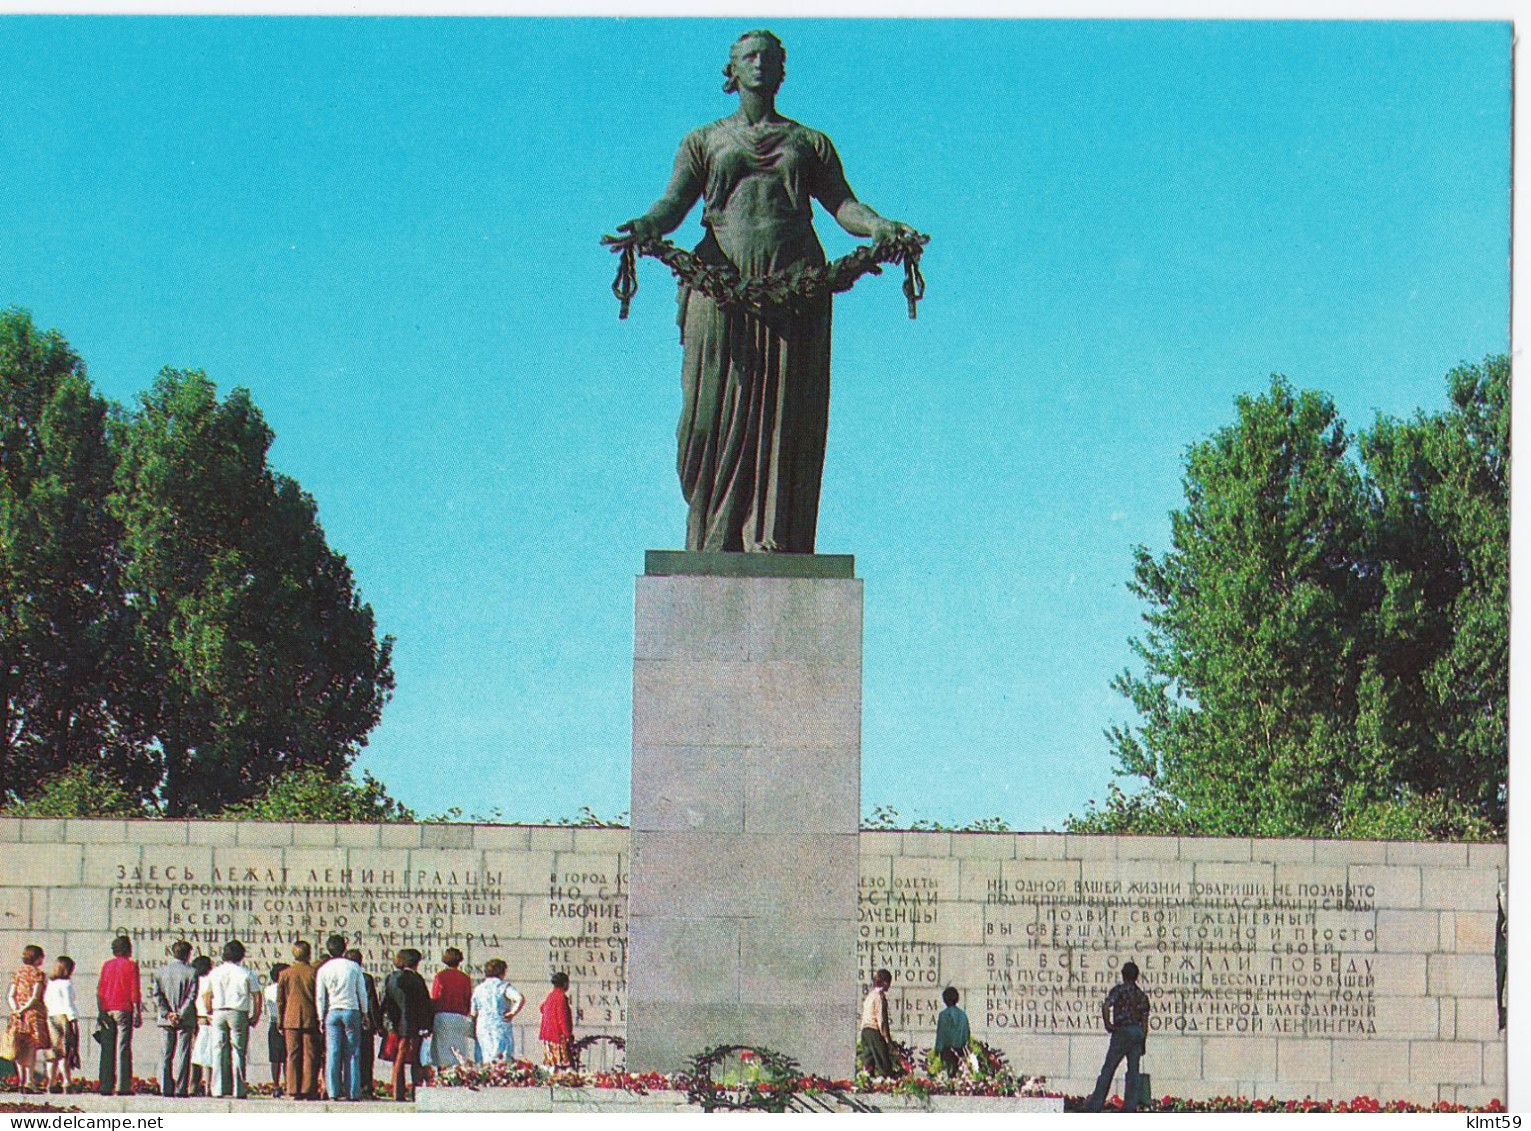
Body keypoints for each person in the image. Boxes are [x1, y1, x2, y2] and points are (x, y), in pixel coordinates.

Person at [617, 30, 917, 554]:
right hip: (722, 285)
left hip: (794, 284)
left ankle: (772, 537)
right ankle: (711, 536)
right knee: (707, 416)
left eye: (769, 58)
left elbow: (844, 205)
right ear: (731, 72)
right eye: (748, 58)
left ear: (782, 71)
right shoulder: (703, 141)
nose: (759, 65)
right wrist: (646, 225)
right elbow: (673, 204)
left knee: (786, 415)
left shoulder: (810, 142)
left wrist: (878, 226)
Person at [1083, 960, 1151, 1113]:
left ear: (1123, 975)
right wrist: (1142, 1041)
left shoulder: (1118, 991)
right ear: (1136, 976)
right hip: (1136, 1033)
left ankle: (1095, 1104)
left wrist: (1108, 1024)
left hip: (1121, 1032)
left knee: (1108, 1069)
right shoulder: (1141, 996)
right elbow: (1145, 1023)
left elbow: (1107, 1005)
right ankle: (1130, 1106)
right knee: (1133, 1072)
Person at [202, 939, 261, 1099]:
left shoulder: (215, 972)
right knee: (238, 1051)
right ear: (241, 956)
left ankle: (218, 1089)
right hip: (238, 1011)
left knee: (218, 1050)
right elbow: (256, 995)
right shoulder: (246, 972)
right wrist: (256, 1015)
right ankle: (238, 1089)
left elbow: (207, 994)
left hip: (219, 1011)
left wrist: (209, 1011)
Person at [315, 934, 368, 1101]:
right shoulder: (353, 967)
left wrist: (320, 1016)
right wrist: (364, 1012)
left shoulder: (324, 969)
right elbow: (362, 992)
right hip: (351, 1009)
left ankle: (333, 1092)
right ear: (344, 948)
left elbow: (320, 996)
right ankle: (352, 1092)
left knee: (333, 1052)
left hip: (333, 1011)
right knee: (352, 1052)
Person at [382, 949, 431, 1102]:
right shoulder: (416, 979)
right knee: (415, 1059)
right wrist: (426, 1026)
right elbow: (424, 1005)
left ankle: (398, 1092)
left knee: (399, 1059)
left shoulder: (391, 978)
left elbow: (387, 1002)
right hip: (414, 1024)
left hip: (397, 1024)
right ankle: (416, 1092)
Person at [152, 940, 198, 1098]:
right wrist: (179, 1014)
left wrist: (167, 1013)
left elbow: (157, 995)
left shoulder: (161, 971)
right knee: (183, 1054)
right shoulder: (191, 972)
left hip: (167, 1019)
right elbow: (191, 996)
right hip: (184, 1019)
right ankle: (180, 1088)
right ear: (187, 954)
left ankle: (165, 1087)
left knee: (166, 1053)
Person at [96, 936, 141, 1096]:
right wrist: (137, 1011)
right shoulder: (131, 965)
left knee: (107, 1049)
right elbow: (134, 990)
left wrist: (101, 1011)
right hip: (123, 1008)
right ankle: (123, 1086)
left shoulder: (107, 965)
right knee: (123, 1048)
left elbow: (100, 989)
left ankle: (106, 1085)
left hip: (107, 1008)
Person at [277, 941, 321, 1101]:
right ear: (309, 954)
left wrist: (280, 1020)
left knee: (292, 1055)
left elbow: (280, 1000)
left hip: (291, 1017)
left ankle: (292, 1089)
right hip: (310, 1016)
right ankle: (308, 1089)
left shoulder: (285, 973)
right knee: (310, 1055)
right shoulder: (314, 973)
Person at [7, 945, 51, 1091]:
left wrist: (16, 1010)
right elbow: (35, 998)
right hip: (33, 1015)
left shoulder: (18, 973)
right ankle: (29, 1080)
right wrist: (24, 1010)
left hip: (18, 1016)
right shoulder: (38, 974)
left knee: (20, 1049)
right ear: (38, 958)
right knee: (31, 1048)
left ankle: (21, 1080)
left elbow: (10, 995)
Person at [469, 959, 524, 1062]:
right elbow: (519, 998)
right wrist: (512, 1013)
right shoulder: (502, 986)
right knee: (501, 1059)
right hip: (499, 1026)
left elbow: (473, 1012)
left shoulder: (479, 989)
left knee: (484, 1058)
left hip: (482, 1027)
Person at [346, 948, 384, 1098]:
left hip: (346, 1020)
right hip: (363, 1022)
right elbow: (371, 1003)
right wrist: (378, 1024)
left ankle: (348, 1086)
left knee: (348, 1055)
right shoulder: (365, 978)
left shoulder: (340, 977)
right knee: (365, 1057)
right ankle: (365, 1087)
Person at [428, 947, 475, 1068]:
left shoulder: (440, 976)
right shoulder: (464, 978)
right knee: (458, 1051)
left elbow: (435, 996)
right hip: (459, 1016)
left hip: (442, 1015)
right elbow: (467, 998)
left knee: (442, 1051)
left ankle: (443, 1076)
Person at [42, 956, 78, 1094]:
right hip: (64, 1018)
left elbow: (46, 1000)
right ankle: (67, 1082)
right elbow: (68, 1003)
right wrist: (72, 1019)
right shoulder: (66, 984)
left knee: (52, 1052)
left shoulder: (51, 983)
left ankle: (51, 1082)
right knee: (65, 1051)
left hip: (50, 1016)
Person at [858, 968, 894, 1078]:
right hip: (874, 1031)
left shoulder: (870, 995)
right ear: (885, 982)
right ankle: (889, 1083)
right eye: (889, 983)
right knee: (883, 1062)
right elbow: (881, 1020)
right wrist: (888, 1040)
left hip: (865, 1031)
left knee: (869, 1063)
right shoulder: (880, 997)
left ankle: (867, 1082)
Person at [188, 956, 215, 1095]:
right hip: (207, 1019)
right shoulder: (209, 980)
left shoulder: (193, 980)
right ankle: (208, 1086)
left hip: (194, 1019)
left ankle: (193, 1085)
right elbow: (208, 999)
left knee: (196, 1055)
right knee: (207, 1056)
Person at [538, 972, 574, 1068]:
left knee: (550, 1064)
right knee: (562, 1065)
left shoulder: (551, 996)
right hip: (558, 1036)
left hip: (547, 1035)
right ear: (565, 983)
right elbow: (563, 1019)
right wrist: (568, 1035)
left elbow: (542, 1008)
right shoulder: (561, 997)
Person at [933, 986, 971, 1076]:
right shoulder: (963, 1015)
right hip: (960, 1051)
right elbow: (966, 1034)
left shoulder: (943, 1015)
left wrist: (937, 1051)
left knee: (948, 1076)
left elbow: (941, 1034)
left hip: (947, 1052)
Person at [264, 963, 288, 1096]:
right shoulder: (282, 988)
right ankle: (288, 1084)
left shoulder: (268, 989)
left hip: (273, 1022)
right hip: (283, 1022)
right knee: (287, 1057)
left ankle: (276, 1085)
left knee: (275, 1058)